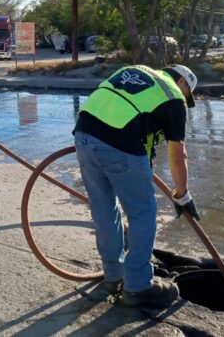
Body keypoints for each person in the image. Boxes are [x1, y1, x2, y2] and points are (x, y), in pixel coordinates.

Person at [73, 64, 200, 308]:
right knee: (143, 213)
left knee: (104, 211)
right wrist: (182, 195)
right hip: (119, 143)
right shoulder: (174, 97)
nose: (185, 98)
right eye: (187, 93)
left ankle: (113, 276)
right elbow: (177, 154)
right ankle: (138, 286)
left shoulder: (136, 71)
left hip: (83, 136)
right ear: (183, 83)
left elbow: (137, 128)